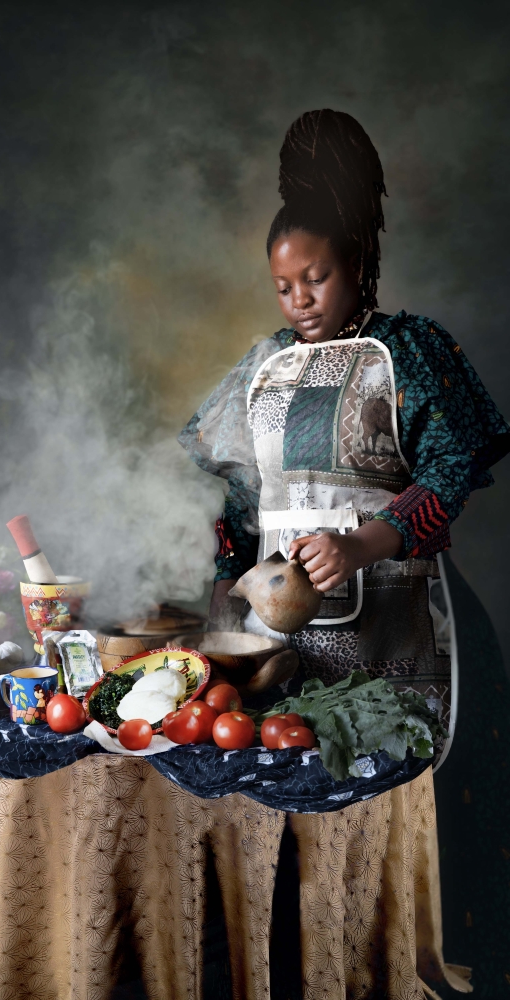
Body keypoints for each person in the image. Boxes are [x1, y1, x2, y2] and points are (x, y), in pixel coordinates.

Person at [178, 109, 510, 994]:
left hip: (390, 624)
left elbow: (453, 464)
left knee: (383, 802)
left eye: (315, 278)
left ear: (358, 262)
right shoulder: (260, 369)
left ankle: (387, 964)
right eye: (282, 286)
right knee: (285, 802)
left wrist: (365, 541)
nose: (297, 300)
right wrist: (224, 587)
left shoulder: (409, 351)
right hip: (281, 637)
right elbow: (235, 498)